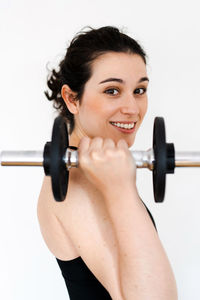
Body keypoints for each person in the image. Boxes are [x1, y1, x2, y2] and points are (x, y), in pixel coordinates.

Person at [37, 26, 178, 299]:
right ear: (72, 99)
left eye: (139, 90)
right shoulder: (77, 187)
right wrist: (120, 190)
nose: (132, 109)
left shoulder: (93, 171)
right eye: (112, 91)